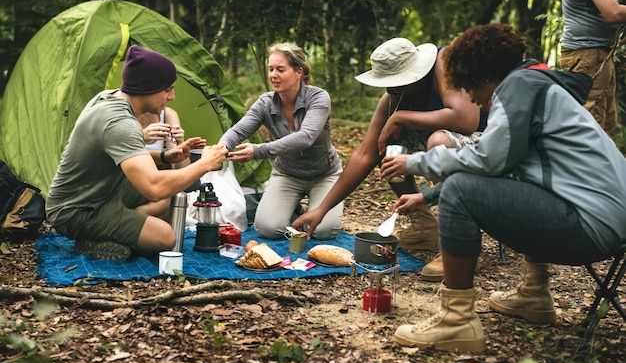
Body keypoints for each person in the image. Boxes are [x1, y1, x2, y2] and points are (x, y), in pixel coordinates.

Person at [380, 23, 626, 352]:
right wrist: (427, 195)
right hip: (609, 224)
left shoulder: (518, 87)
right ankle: (534, 292)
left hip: (589, 224)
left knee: (460, 192)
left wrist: (416, 163)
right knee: (516, 183)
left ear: (482, 77)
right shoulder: (535, 83)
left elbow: (487, 161)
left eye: (473, 92)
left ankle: (456, 321)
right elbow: (502, 164)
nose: (476, 102)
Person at [292, 37, 487, 280]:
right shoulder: (395, 97)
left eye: (396, 82)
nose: (390, 89)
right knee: (388, 147)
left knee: (439, 143)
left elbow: (466, 120)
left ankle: (461, 244)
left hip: (487, 149)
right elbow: (365, 154)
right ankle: (426, 227)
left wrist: (400, 118)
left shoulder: (444, 65)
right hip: (446, 151)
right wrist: (321, 209)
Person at [46, 45, 227, 260]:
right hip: (78, 210)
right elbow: (153, 187)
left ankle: (116, 228)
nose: (172, 97)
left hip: (104, 191)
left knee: (172, 198)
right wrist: (205, 163)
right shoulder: (120, 123)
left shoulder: (108, 97)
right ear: (147, 87)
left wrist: (164, 157)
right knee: (165, 238)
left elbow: (121, 152)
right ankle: (98, 236)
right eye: (168, 89)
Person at [218, 42, 343, 240]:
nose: (273, 75)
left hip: (324, 174)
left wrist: (258, 151)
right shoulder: (265, 102)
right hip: (288, 174)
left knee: (323, 231)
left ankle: (310, 210)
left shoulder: (318, 97)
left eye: (280, 69)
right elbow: (240, 130)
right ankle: (293, 209)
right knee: (268, 229)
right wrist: (219, 149)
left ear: (298, 72)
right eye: (270, 69)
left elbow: (306, 137)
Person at [561, 0, 626, 132]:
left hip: (597, 55)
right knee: (589, 131)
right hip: (587, 57)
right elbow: (613, 13)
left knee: (605, 126)